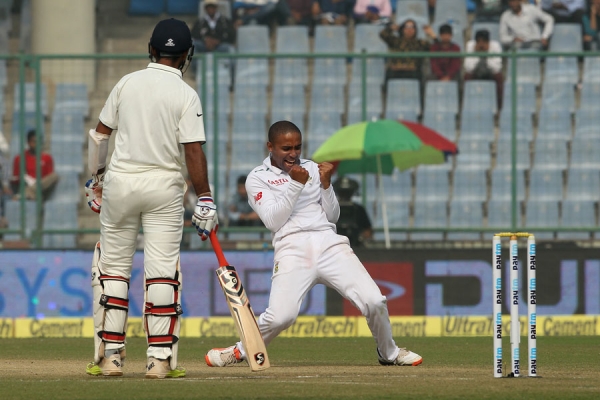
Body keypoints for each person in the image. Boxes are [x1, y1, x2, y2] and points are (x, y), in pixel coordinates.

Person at [204, 120, 423, 368]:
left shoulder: (311, 167)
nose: (294, 154)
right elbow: (273, 221)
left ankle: (389, 352)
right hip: (292, 247)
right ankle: (239, 350)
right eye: (286, 148)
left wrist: (327, 185)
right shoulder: (257, 178)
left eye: (298, 147)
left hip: (329, 243)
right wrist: (296, 184)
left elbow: (332, 217)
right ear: (270, 147)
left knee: (374, 301)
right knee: (281, 317)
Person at [84, 18, 218, 379]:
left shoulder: (126, 83)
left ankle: (111, 357)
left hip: (121, 184)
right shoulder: (186, 94)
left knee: (113, 268)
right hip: (164, 188)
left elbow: (99, 137)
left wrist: (95, 181)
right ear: (186, 55)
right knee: (161, 271)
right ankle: (159, 361)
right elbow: (193, 150)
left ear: (151, 50)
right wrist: (205, 197)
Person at [379, 19, 437, 83]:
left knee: (419, 75)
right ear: (402, 29)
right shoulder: (395, 41)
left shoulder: (420, 43)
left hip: (412, 72)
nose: (410, 29)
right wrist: (392, 28)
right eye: (407, 27)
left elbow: (436, 49)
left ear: (415, 30)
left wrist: (432, 35)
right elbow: (383, 34)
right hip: (396, 71)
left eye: (412, 27)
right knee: (389, 73)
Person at [9, 130, 59, 201]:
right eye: (34, 142)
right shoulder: (20, 158)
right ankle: (29, 194)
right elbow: (15, 178)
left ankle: (28, 193)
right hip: (26, 186)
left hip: (41, 189)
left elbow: (48, 180)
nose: (37, 144)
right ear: (28, 142)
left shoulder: (47, 158)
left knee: (54, 176)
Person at [464, 29, 504, 110]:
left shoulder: (495, 45)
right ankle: (467, 107)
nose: (481, 44)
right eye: (479, 41)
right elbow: (468, 67)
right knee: (467, 76)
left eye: (484, 41)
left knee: (499, 77)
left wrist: (487, 54)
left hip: (490, 72)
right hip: (476, 71)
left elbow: (497, 67)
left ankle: (499, 108)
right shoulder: (470, 45)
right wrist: (478, 54)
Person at [332, 176, 372, 247]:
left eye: (347, 192)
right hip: (334, 244)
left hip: (356, 245)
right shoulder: (331, 208)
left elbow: (368, 230)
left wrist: (361, 238)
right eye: (342, 192)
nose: (345, 195)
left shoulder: (359, 209)